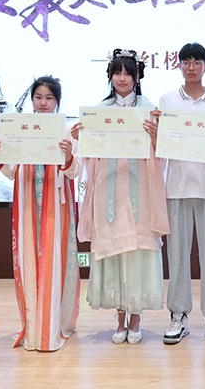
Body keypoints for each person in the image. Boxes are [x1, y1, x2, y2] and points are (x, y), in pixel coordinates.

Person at [71, 48, 169, 345]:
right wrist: (80, 138)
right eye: (117, 72)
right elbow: (88, 155)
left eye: (128, 72)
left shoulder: (150, 110)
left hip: (140, 188)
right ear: (110, 76)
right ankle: (120, 317)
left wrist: (156, 136)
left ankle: (135, 317)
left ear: (138, 76)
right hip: (108, 188)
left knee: (137, 249)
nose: (122, 78)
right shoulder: (99, 111)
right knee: (113, 247)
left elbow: (164, 153)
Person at [0, 76, 80, 351]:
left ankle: (53, 323)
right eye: (38, 97)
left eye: (49, 98)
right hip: (26, 200)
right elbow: (10, 170)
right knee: (28, 255)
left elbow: (74, 171)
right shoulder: (19, 128)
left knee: (54, 257)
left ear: (57, 101)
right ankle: (33, 321)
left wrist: (68, 156)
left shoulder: (66, 130)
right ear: (32, 100)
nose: (43, 103)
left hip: (56, 203)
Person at [157, 43, 205, 347]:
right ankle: (178, 315)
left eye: (196, 62)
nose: (191, 67)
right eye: (186, 62)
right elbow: (162, 143)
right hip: (176, 187)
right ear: (179, 65)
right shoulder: (168, 100)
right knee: (177, 256)